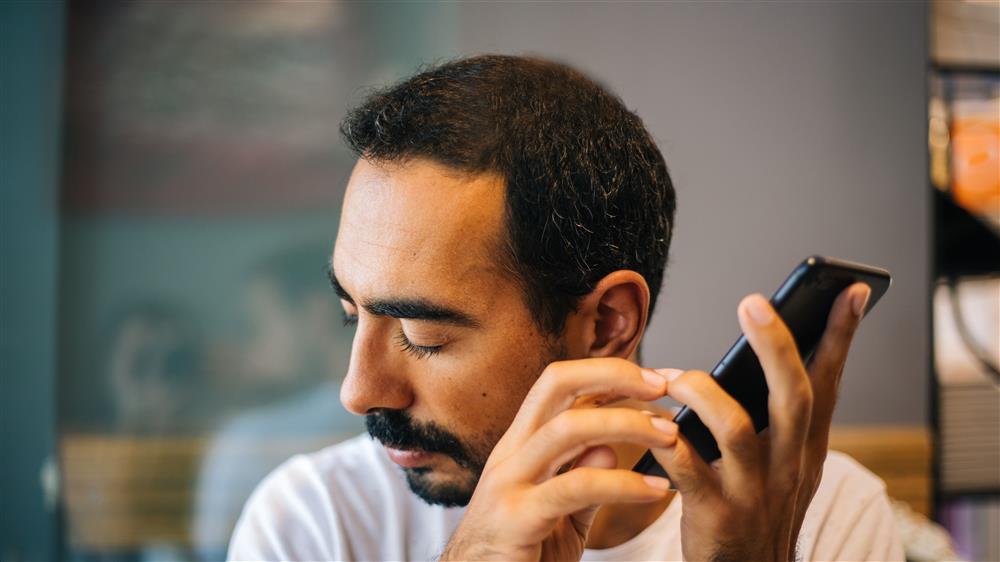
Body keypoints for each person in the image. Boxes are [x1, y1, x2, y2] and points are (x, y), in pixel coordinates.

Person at [228, 55, 903, 561]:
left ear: (607, 324)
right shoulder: (315, 521)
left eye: (424, 334)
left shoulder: (820, 518)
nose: (357, 390)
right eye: (353, 314)